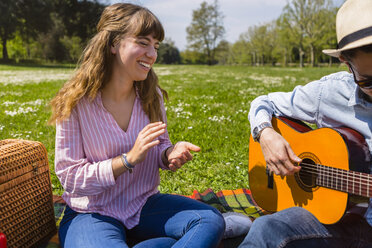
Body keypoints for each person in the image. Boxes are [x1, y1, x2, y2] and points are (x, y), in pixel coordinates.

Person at [49, 3, 225, 248]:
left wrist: (168, 154)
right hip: (90, 213)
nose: (152, 54)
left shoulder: (151, 96)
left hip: (143, 205)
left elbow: (159, 146)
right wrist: (128, 159)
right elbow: (70, 178)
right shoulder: (75, 103)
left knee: (209, 220)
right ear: (112, 43)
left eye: (156, 46)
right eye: (143, 42)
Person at [240, 0, 372, 247]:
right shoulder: (330, 93)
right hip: (339, 220)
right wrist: (266, 134)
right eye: (368, 82)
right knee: (268, 228)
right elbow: (263, 102)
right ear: (346, 61)